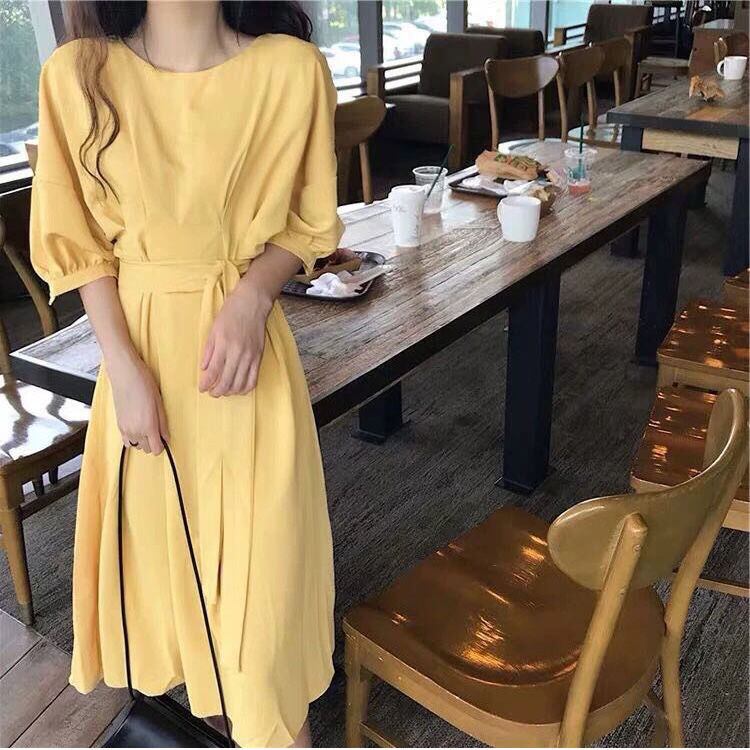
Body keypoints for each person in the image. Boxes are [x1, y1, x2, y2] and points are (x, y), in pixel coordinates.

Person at [30, 1, 343, 746]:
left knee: (264, 633)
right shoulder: (78, 73)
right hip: (141, 366)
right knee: (184, 606)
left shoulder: (291, 69)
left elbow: (308, 224)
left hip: (247, 371)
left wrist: (254, 292)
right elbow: (79, 246)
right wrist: (123, 370)